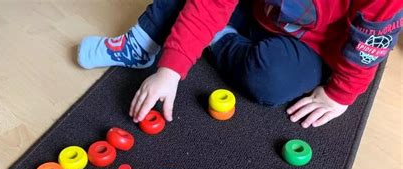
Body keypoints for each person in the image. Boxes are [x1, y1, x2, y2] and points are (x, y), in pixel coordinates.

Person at [77, 0, 402, 128]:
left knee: (272, 80)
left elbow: (368, 47)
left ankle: (217, 37)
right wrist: (170, 69)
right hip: (249, 8)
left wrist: (340, 95)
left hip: (311, 45)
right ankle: (142, 41)